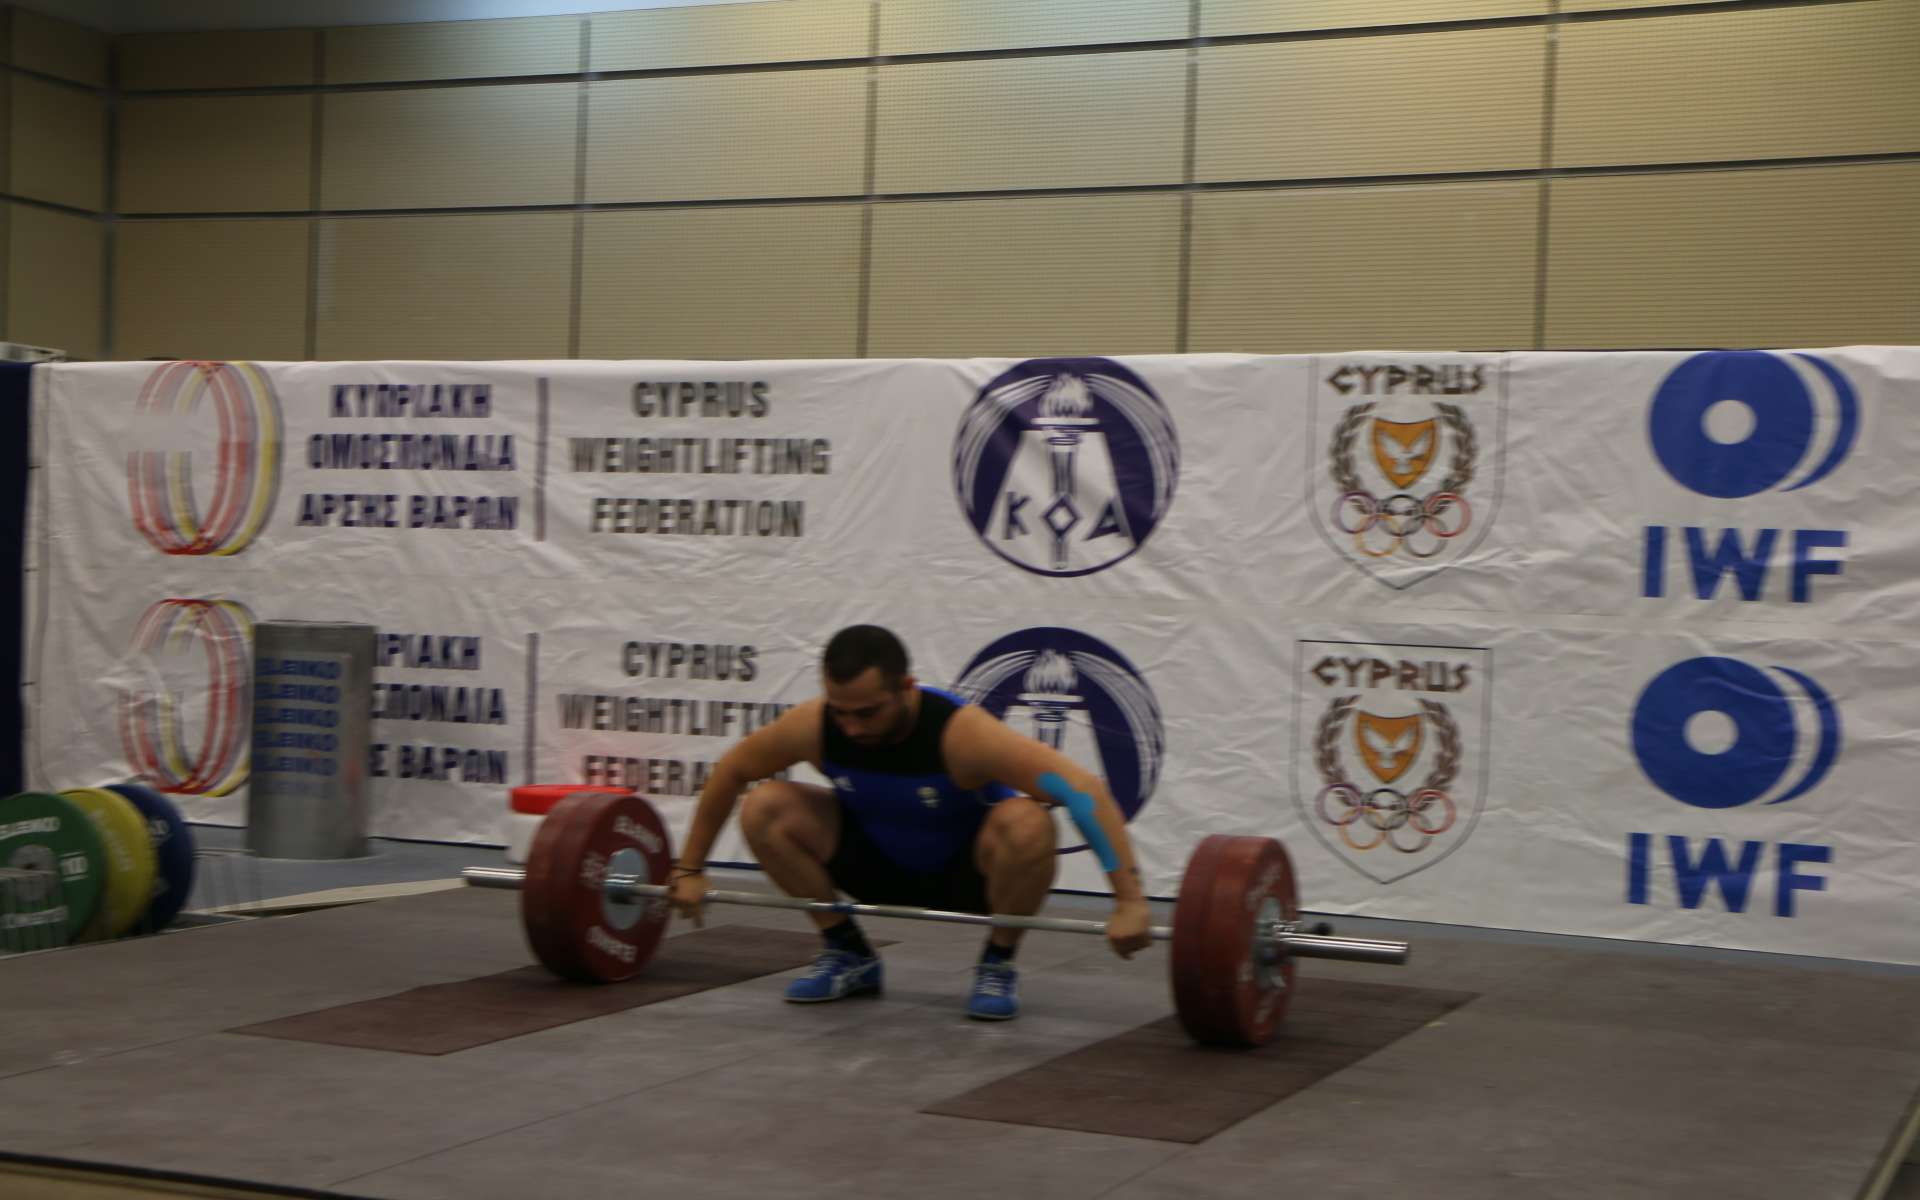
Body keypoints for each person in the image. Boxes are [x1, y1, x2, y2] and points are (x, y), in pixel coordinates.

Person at [667, 624, 1153, 1021]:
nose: (852, 727)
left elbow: (1082, 791)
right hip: (873, 863)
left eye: (867, 713)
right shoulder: (815, 726)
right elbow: (732, 770)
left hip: (967, 876)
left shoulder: (961, 735)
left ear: (906, 688)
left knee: (1029, 822)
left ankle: (997, 963)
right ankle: (848, 952)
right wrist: (689, 868)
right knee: (765, 805)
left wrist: (1129, 899)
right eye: (841, 713)